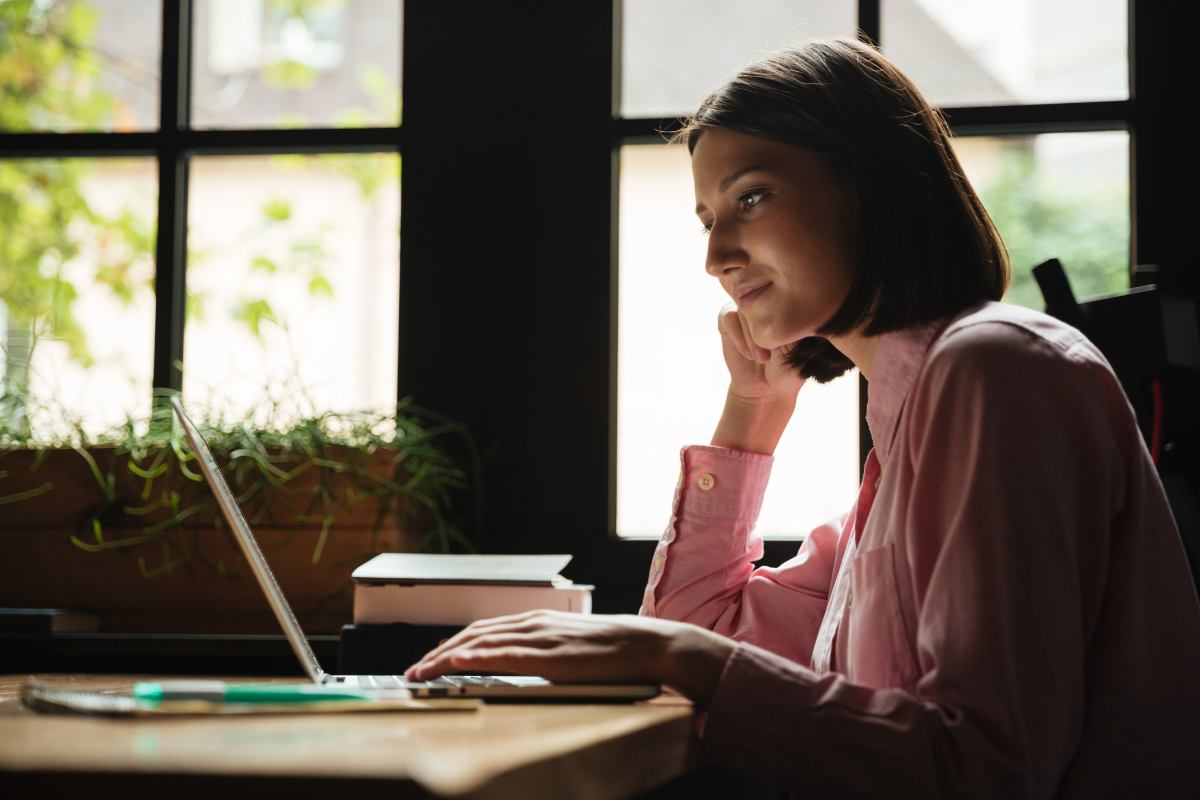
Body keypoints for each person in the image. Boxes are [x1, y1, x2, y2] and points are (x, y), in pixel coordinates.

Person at [407, 38, 1200, 797]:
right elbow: (699, 634)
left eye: (750, 196)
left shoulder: (996, 368)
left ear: (876, 185)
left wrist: (678, 654)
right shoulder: (900, 454)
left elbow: (984, 768)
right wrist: (751, 413)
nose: (716, 256)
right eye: (707, 218)